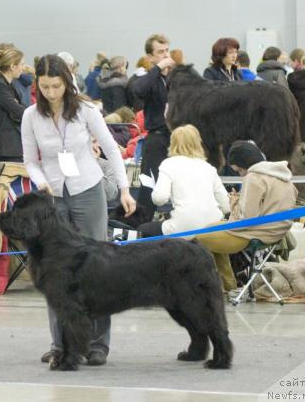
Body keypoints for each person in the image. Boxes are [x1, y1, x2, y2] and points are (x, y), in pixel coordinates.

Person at [22, 54, 136, 367]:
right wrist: (41, 181)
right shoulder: (31, 116)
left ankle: (98, 344)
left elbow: (112, 149)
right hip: (53, 196)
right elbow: (30, 160)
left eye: (55, 85)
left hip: (88, 189)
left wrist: (125, 189)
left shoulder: (86, 109)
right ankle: (60, 344)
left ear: (66, 82)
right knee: (54, 271)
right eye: (44, 86)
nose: (50, 92)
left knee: (97, 267)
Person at [195, 141, 297, 292]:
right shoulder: (282, 176)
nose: (240, 174)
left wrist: (234, 203)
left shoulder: (254, 177)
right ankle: (226, 284)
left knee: (201, 237)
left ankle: (224, 285)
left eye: (239, 170)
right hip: (276, 233)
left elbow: (247, 219)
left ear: (243, 164)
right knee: (210, 229)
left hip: (255, 233)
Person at [136, 125, 230, 237]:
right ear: (198, 143)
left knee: (142, 229)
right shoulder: (209, 168)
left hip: (183, 227)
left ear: (172, 142)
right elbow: (226, 205)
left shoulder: (168, 164)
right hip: (213, 227)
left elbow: (159, 198)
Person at [132, 34, 175, 221]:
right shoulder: (150, 78)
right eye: (160, 52)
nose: (166, 55)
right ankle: (141, 228)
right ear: (150, 57)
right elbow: (138, 90)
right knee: (149, 185)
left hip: (178, 139)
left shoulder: (176, 77)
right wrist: (158, 68)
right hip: (156, 138)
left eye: (167, 51)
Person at [0, 46, 27, 163]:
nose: (23, 68)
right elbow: (19, 111)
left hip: (12, 144)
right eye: (22, 64)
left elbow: (19, 109)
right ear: (12, 66)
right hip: (7, 146)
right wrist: (17, 107)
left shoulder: (9, 85)